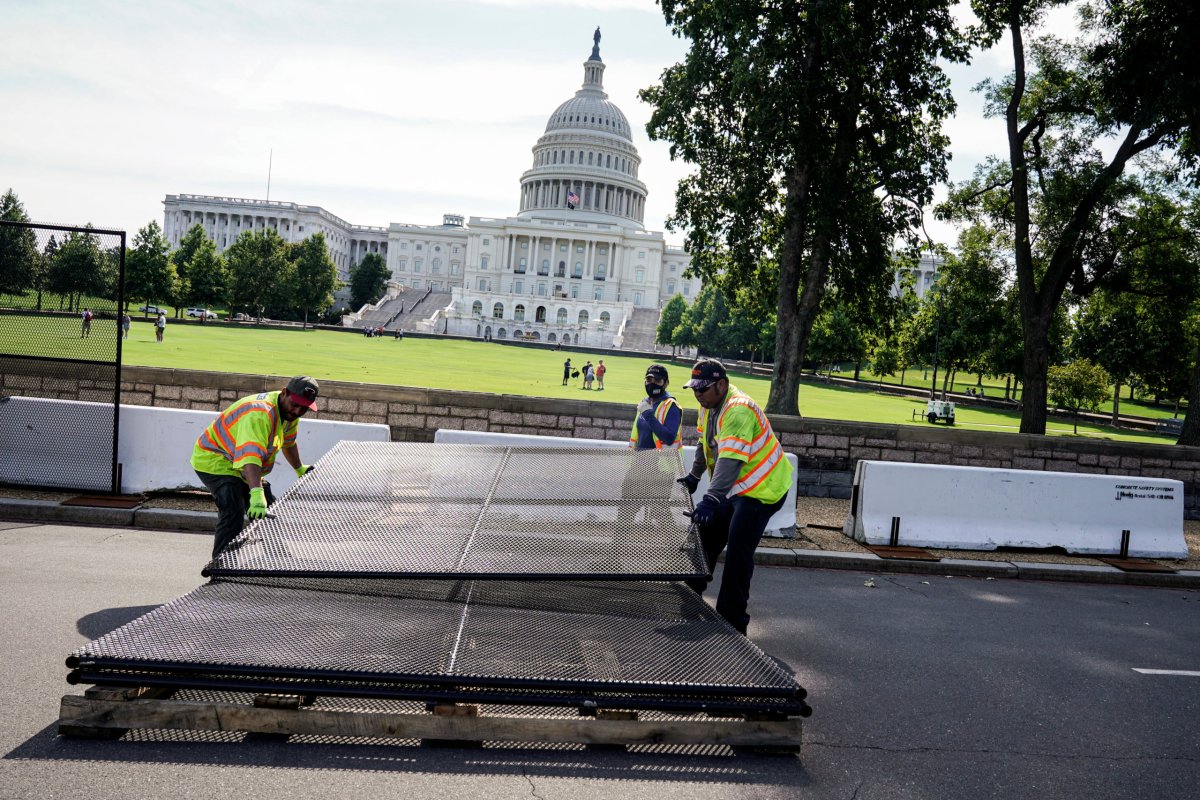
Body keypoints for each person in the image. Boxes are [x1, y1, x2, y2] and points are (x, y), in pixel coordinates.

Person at [678, 358, 793, 635]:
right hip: (736, 487)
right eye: (694, 389)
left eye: (703, 389)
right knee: (707, 535)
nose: (698, 395)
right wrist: (695, 476)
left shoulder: (738, 410)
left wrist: (711, 499)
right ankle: (689, 597)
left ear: (721, 384)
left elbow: (730, 460)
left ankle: (732, 622)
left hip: (763, 489)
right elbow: (704, 444)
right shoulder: (709, 405)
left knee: (738, 551)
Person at [191, 376, 320, 558]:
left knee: (269, 509)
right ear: (284, 392)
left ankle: (277, 558)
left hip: (242, 464)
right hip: (215, 459)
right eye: (295, 404)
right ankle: (221, 567)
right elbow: (250, 457)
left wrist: (299, 468)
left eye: (304, 408)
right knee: (233, 509)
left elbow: (288, 443)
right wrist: (256, 495)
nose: (298, 410)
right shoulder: (260, 413)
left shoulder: (289, 413)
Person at [618, 364, 683, 533]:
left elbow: (668, 437)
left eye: (658, 380)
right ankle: (613, 556)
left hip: (660, 469)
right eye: (649, 379)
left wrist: (648, 414)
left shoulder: (671, 406)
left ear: (666, 383)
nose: (652, 383)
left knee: (658, 510)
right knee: (625, 511)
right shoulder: (644, 403)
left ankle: (675, 554)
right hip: (638, 465)